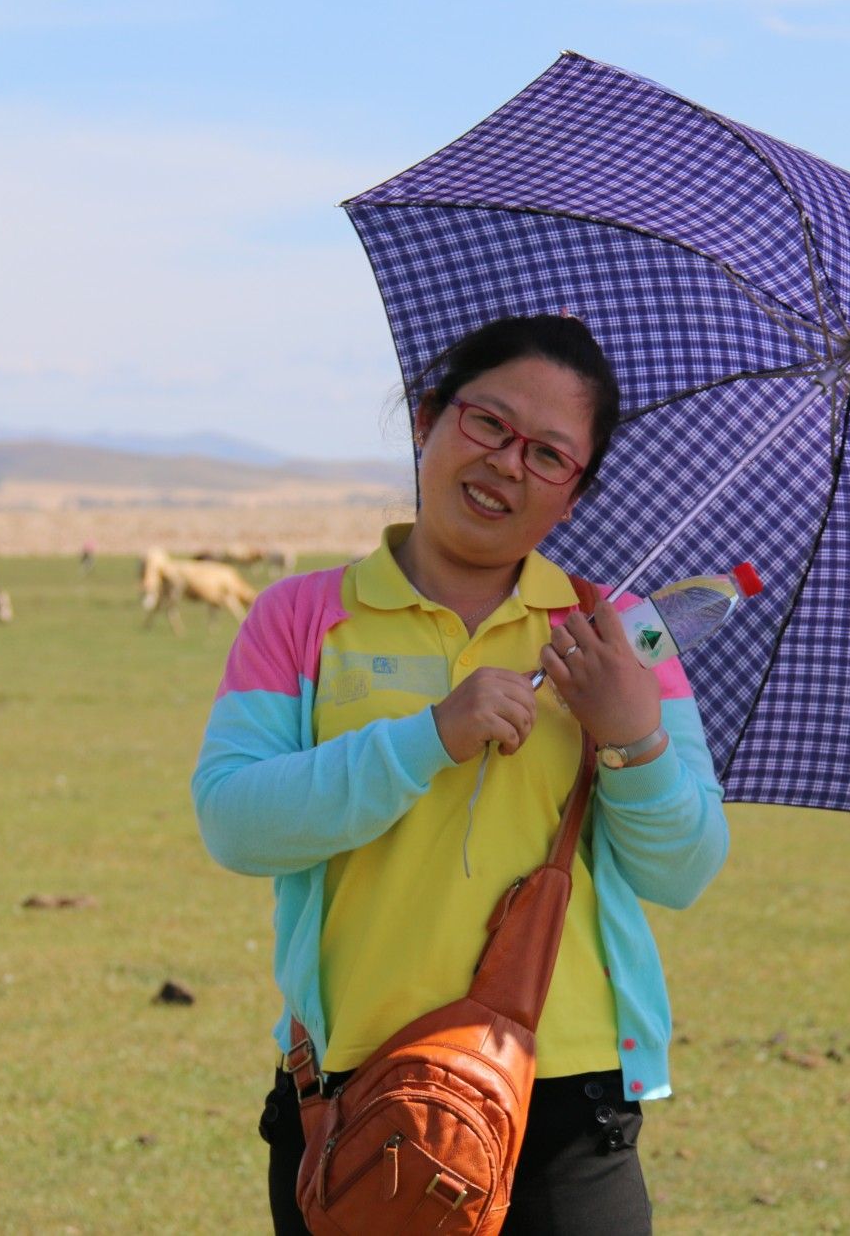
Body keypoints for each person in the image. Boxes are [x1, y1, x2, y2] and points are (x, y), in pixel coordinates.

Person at [191, 314, 728, 1234]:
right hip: (355, 1099)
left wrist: (633, 734)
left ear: (576, 493)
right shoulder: (302, 616)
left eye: (550, 454)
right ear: (428, 419)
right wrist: (429, 737)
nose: (509, 464)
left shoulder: (618, 636)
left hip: (564, 1099)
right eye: (488, 424)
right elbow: (235, 821)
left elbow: (683, 869)